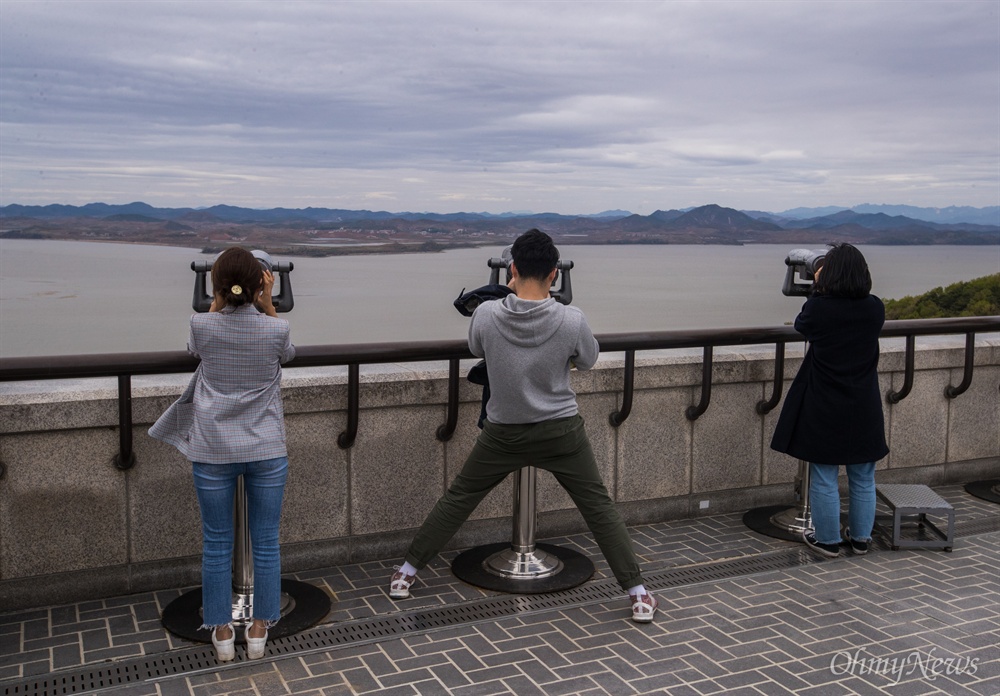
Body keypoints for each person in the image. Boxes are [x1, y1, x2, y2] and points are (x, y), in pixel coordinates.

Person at [388, 229, 657, 622]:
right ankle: (637, 593)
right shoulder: (571, 319)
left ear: (512, 269)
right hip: (561, 430)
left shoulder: (485, 314)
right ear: (554, 275)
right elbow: (588, 360)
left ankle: (406, 573)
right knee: (598, 507)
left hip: (504, 431)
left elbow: (478, 348)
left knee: (459, 498)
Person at [150, 247, 295, 661]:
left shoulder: (201, 324)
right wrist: (266, 306)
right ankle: (259, 630)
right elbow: (288, 356)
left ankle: (221, 635)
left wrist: (219, 299)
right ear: (259, 284)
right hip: (266, 447)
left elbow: (197, 347)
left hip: (213, 449)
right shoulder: (277, 330)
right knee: (266, 541)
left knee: (216, 543)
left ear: (217, 285)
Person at [770, 242, 889, 558]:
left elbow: (802, 324)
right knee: (863, 476)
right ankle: (861, 539)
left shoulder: (820, 309)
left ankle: (827, 541)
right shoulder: (875, 308)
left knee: (824, 475)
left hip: (826, 403)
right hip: (864, 403)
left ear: (828, 276)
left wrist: (818, 287)